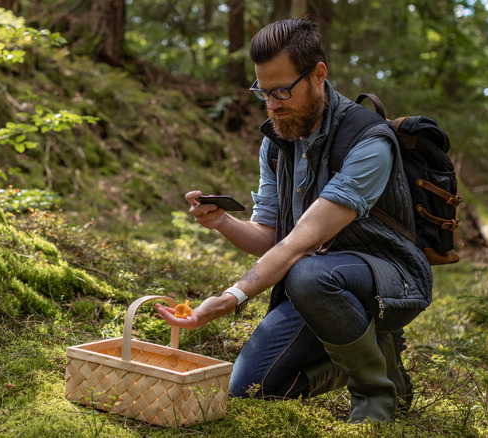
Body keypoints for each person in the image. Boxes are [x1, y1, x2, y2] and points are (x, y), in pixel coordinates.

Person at [155, 17, 433, 423]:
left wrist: (230, 297)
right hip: (317, 283)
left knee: (307, 273)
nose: (272, 104)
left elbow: (300, 242)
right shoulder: (276, 141)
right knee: (250, 390)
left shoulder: (368, 140)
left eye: (282, 90)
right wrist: (222, 223)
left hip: (391, 280)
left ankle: (376, 396)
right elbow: (270, 236)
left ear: (318, 74)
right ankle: (376, 354)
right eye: (263, 92)